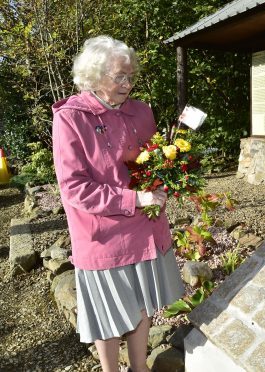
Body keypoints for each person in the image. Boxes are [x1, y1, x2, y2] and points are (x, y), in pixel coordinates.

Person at [52, 35, 185, 372]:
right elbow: (74, 188)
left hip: (143, 228)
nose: (128, 84)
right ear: (94, 76)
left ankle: (139, 368)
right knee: (110, 314)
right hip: (101, 235)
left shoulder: (141, 111)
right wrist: (133, 197)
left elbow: (154, 162)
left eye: (131, 76)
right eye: (119, 77)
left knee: (140, 306)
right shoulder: (71, 118)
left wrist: (167, 179)